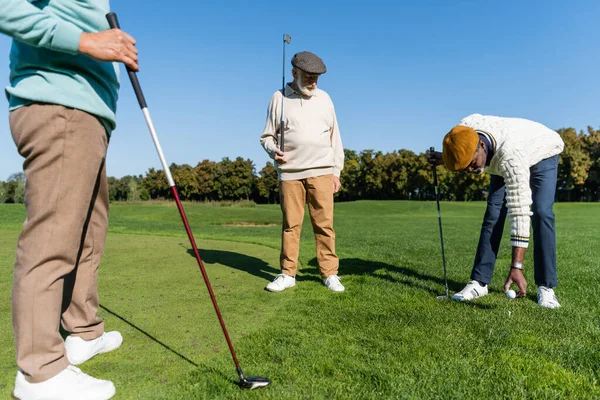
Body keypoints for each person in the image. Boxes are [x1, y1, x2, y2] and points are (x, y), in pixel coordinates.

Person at [1, 1, 139, 399]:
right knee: (54, 238)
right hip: (60, 105)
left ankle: (83, 331)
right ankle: (39, 372)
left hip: (87, 115)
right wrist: (87, 40)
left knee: (88, 234)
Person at [429, 114, 564, 308]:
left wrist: (516, 266)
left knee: (542, 212)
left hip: (542, 150)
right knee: (492, 213)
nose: (470, 170)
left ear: (482, 146)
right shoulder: (464, 131)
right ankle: (479, 282)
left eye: (472, 163)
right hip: (501, 154)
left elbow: (519, 211)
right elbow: (464, 145)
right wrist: (448, 158)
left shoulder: (511, 156)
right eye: (464, 166)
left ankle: (546, 286)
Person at [260, 51, 345, 293]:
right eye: (309, 76)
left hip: (322, 171)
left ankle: (330, 274)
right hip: (290, 173)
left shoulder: (325, 99)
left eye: (317, 77)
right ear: (295, 73)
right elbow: (266, 136)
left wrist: (336, 171)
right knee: (291, 225)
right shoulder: (279, 98)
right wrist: (272, 150)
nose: (313, 82)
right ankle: (287, 274)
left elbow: (335, 137)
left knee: (325, 225)